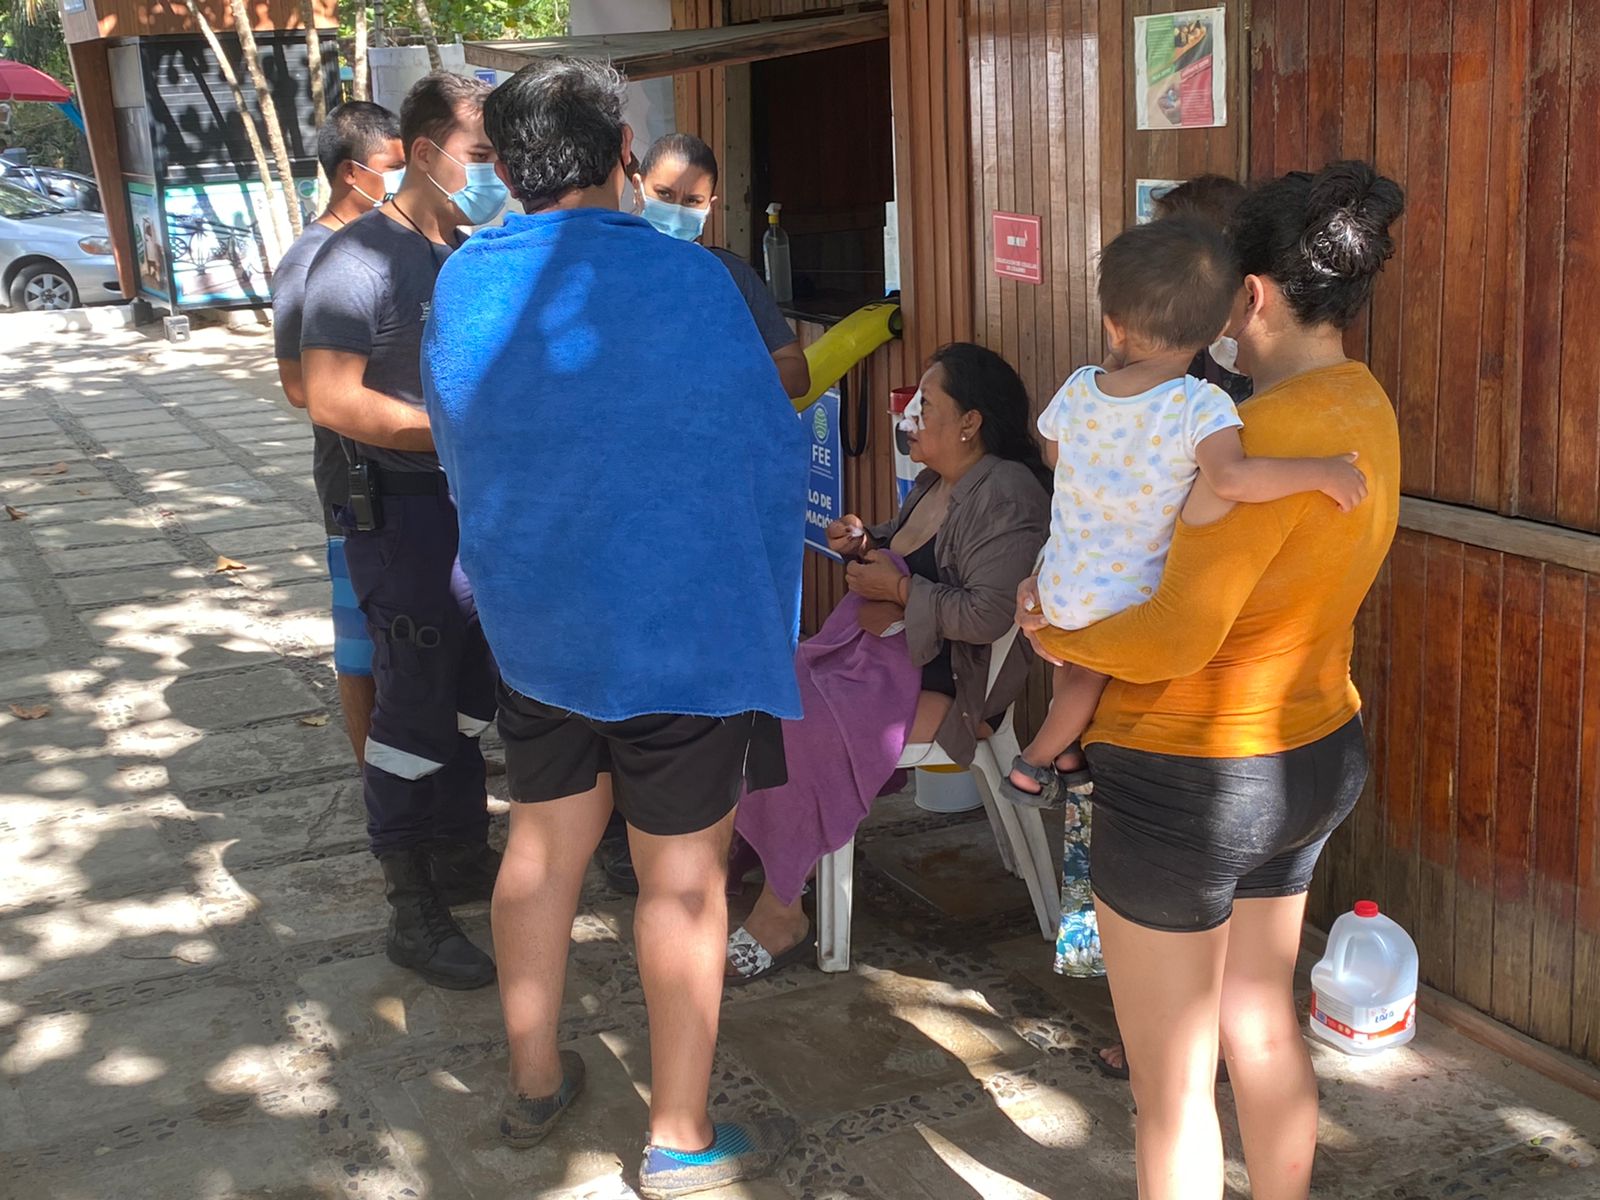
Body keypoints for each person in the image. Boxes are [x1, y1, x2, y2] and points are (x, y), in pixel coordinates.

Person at [421, 59, 804, 1197]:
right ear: (622, 155)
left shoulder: (465, 285)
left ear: (507, 166)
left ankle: (535, 1083)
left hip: (539, 626)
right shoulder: (692, 283)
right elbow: (762, 443)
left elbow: (456, 446)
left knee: (540, 851)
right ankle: (679, 1139)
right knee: (681, 886)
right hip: (683, 633)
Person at [1016, 160, 1405, 1200]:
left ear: (1257, 296)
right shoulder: (1362, 405)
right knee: (1262, 1028)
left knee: (1174, 1089)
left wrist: (1058, 634)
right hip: (1314, 750)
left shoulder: (1251, 437)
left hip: (1192, 773)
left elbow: (1173, 641)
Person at [1000, 216, 1365, 811]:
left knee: (1075, 670)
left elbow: (1053, 449)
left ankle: (1067, 754)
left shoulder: (1080, 387)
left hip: (1060, 576)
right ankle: (1034, 762)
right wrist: (1322, 472)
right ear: (1219, 328)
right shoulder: (1200, 403)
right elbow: (1234, 478)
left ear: (1112, 325)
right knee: (1091, 673)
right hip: (1127, 594)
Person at [727, 342, 1051, 982]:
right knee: (761, 690)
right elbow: (913, 554)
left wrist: (898, 590)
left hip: (948, 677)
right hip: (881, 653)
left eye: (926, 404)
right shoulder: (939, 480)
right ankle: (764, 852)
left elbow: (989, 615)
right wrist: (865, 541)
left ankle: (780, 909)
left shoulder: (1006, 493)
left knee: (807, 729)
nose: (911, 417)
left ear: (971, 421)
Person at [300, 72, 504, 991]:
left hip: (475, 511)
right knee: (410, 703)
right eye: (482, 157)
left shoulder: (471, 253)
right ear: (424, 153)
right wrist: (453, 429)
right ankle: (408, 896)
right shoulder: (356, 262)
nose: (494, 175)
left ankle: (462, 850)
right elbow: (332, 396)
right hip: (401, 513)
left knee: (468, 693)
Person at [270, 100, 405, 770]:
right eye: (396, 168)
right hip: (355, 484)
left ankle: (416, 751)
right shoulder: (313, 261)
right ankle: (373, 771)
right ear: (355, 174)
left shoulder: (392, 246)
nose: (407, 181)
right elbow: (303, 388)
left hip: (409, 478)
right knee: (361, 643)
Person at [634, 132, 811, 399]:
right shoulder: (602, 271)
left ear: (709, 207)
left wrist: (724, 384)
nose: (677, 211)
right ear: (638, 188)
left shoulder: (730, 274)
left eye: (692, 201)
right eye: (664, 194)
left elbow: (796, 372)